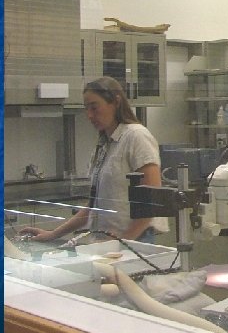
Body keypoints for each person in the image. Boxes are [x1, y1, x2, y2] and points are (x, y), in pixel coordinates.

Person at [21, 76, 166, 244]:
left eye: (94, 108)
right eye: (86, 109)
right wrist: (52, 234)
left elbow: (151, 202)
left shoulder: (136, 136)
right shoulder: (104, 145)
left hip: (134, 242)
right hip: (106, 243)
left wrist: (122, 245)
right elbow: (93, 208)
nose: (89, 115)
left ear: (116, 102)